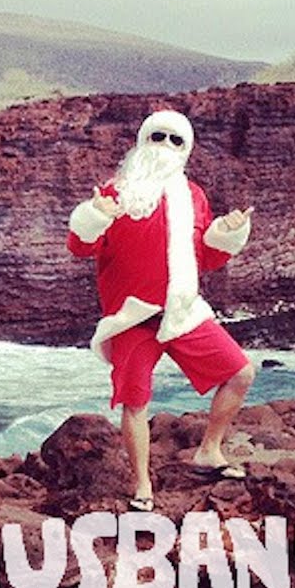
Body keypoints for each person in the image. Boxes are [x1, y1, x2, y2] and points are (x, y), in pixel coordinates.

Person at [66, 109, 256, 512]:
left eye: (175, 140)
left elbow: (205, 257)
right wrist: (95, 215)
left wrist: (227, 232)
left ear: (186, 149)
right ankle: (142, 485)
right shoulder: (114, 192)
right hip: (132, 318)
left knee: (240, 373)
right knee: (135, 401)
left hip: (182, 312)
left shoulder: (194, 196)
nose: (165, 146)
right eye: (158, 137)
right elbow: (80, 247)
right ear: (142, 141)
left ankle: (209, 451)